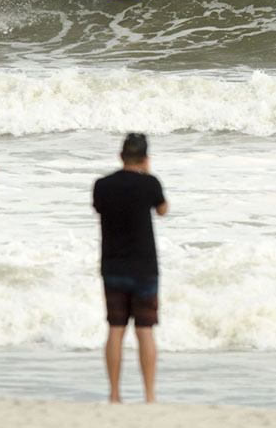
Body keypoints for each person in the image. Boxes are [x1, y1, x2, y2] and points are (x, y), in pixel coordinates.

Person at [92, 132, 168, 403]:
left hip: (113, 265)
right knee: (145, 330)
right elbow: (163, 210)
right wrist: (147, 174)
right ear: (145, 158)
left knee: (115, 328)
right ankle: (149, 396)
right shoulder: (150, 184)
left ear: (120, 156)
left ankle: (114, 395)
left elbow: (100, 209)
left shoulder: (102, 185)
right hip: (145, 267)